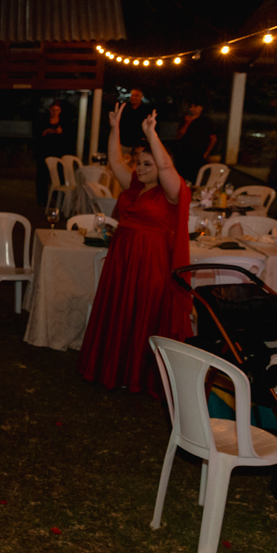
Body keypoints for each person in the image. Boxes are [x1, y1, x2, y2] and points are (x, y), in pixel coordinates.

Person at [79, 104, 192, 395]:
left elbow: (166, 167)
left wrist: (152, 134)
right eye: (139, 163)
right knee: (120, 310)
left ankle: (140, 374)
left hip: (151, 259)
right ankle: (114, 368)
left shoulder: (171, 192)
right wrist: (114, 128)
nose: (140, 168)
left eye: (147, 164)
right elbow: (115, 161)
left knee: (144, 312)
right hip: (122, 257)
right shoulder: (133, 185)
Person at [173, 96, 217, 182]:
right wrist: (187, 123)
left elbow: (213, 138)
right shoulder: (185, 119)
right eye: (191, 107)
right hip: (184, 154)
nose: (193, 109)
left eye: (195, 107)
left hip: (198, 154)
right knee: (182, 177)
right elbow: (178, 136)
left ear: (201, 108)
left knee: (196, 177)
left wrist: (207, 152)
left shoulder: (206, 121)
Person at [34, 102, 67, 206]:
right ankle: (42, 199)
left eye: (57, 110)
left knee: (58, 176)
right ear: (49, 110)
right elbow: (37, 136)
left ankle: (58, 197)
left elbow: (67, 139)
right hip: (44, 153)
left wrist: (60, 132)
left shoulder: (63, 122)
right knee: (42, 177)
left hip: (57, 154)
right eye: (53, 110)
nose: (55, 112)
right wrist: (46, 132)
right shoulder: (43, 121)